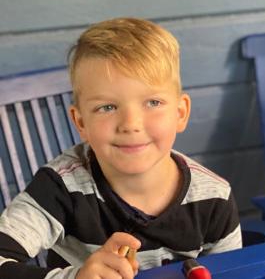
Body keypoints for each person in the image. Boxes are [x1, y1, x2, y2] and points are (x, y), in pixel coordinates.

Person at [0, 18, 241, 278]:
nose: (130, 124)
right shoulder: (60, 189)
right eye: (107, 107)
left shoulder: (214, 198)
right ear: (81, 122)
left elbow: (231, 272)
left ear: (180, 113)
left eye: (153, 102)